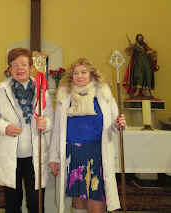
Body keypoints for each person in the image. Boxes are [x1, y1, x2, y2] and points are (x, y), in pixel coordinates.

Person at [49, 58, 126, 213]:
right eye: (76, 73)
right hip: (73, 154)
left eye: (84, 72)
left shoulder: (103, 95)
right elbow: (57, 130)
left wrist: (119, 124)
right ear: (71, 76)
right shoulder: (64, 97)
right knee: (78, 198)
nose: (80, 76)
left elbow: (114, 124)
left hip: (96, 153)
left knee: (96, 195)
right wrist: (54, 158)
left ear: (91, 74)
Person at [0, 48, 54, 213]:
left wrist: (45, 123)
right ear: (9, 69)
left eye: (24, 64)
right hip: (11, 155)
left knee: (36, 203)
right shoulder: (1, 90)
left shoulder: (41, 90)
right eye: (15, 65)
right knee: (12, 203)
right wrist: (4, 127)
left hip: (35, 155)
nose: (20, 68)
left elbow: (51, 119)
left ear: (31, 67)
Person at [123, 34, 159, 98]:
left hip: (146, 63)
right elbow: (128, 52)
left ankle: (148, 91)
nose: (140, 39)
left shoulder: (145, 46)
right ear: (137, 39)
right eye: (139, 38)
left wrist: (152, 52)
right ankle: (137, 91)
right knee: (139, 77)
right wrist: (131, 47)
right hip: (138, 64)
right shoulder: (135, 46)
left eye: (141, 38)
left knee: (148, 76)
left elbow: (151, 52)